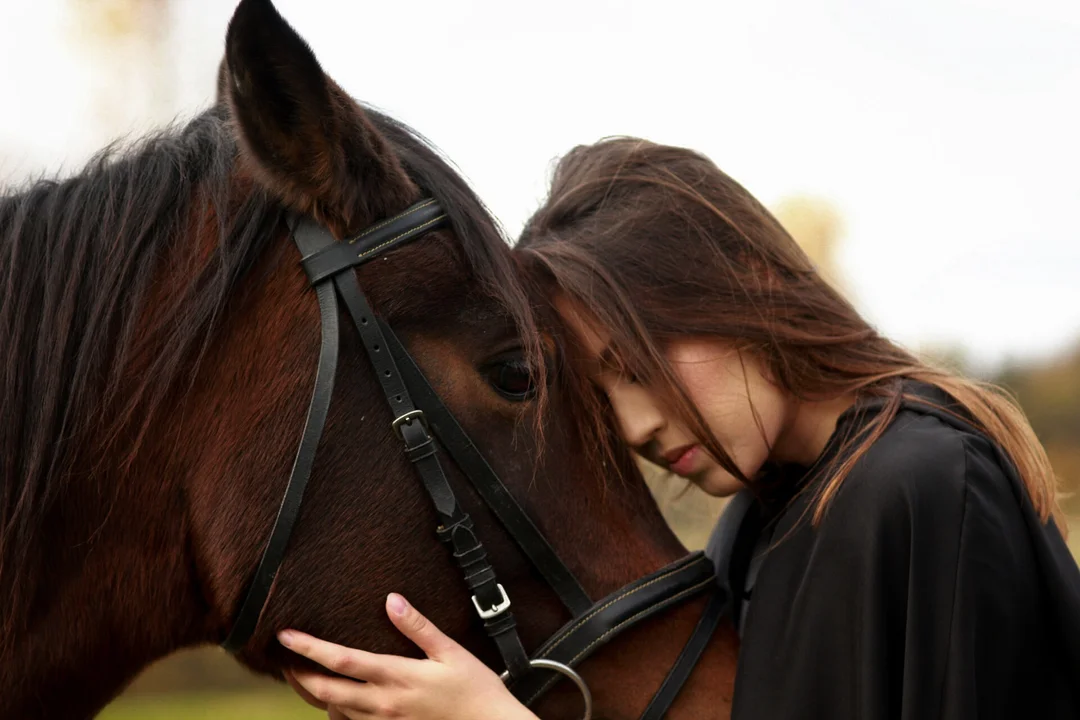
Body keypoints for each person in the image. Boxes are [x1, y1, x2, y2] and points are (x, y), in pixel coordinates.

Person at [276, 137, 1080, 719]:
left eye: (635, 363)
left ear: (745, 280)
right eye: (604, 393)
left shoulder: (915, 486)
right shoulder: (760, 521)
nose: (634, 426)